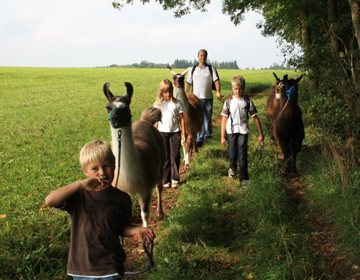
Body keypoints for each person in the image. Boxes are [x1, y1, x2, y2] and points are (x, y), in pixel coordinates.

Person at [45, 140, 155, 280]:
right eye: (94, 169)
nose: (102, 173)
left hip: (110, 267)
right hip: (82, 268)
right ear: (85, 172)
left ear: (114, 166)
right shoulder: (79, 195)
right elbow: (50, 200)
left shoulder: (122, 198)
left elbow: (121, 228)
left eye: (107, 166)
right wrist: (80, 185)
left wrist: (135, 230)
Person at [220, 76, 264, 187]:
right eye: (235, 89)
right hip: (231, 131)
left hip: (243, 131)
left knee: (242, 155)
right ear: (232, 89)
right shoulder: (228, 102)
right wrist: (222, 136)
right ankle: (232, 167)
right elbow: (224, 119)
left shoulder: (247, 102)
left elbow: (255, 117)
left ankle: (243, 178)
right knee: (232, 153)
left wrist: (260, 134)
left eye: (240, 89)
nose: (237, 91)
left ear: (243, 88)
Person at [185, 49, 221, 148]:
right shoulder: (193, 69)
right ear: (198, 57)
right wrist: (184, 96)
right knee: (199, 119)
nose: (203, 57)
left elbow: (216, 81)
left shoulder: (211, 68)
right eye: (201, 55)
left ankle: (208, 135)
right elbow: (188, 84)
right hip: (195, 100)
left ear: (206, 56)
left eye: (204, 55)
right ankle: (199, 138)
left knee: (207, 117)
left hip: (208, 98)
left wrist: (218, 91)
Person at [154, 79, 186, 189]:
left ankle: (175, 178)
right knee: (165, 156)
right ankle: (166, 179)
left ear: (173, 90)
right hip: (162, 133)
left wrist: (183, 134)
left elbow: (181, 119)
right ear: (161, 92)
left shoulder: (177, 103)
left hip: (175, 132)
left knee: (175, 155)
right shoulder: (158, 105)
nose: (168, 94)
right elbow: (155, 121)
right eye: (165, 92)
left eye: (170, 91)